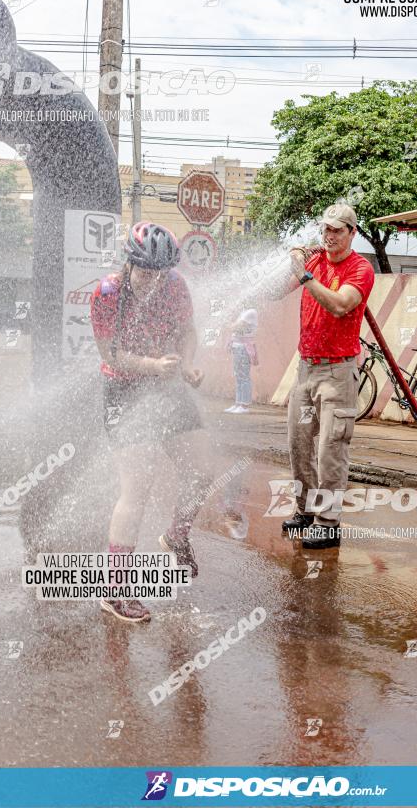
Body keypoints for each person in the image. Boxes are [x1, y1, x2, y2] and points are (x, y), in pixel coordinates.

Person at [90, 222, 208, 623]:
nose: (152, 281)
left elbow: (189, 332)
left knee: (201, 471)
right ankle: (115, 591)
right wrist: (154, 365)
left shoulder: (174, 285)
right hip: (125, 390)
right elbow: (110, 354)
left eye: (159, 272)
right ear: (129, 262)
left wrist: (187, 364)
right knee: (137, 487)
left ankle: (176, 537)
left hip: (167, 385)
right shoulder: (107, 292)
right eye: (144, 272)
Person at [270, 203, 375, 549]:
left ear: (352, 233)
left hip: (337, 373)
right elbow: (274, 292)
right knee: (299, 444)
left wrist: (304, 275)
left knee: (331, 449)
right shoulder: (314, 260)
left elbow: (340, 304)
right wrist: (292, 260)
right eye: (326, 230)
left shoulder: (360, 268)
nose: (329, 236)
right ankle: (305, 510)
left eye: (337, 230)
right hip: (306, 369)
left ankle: (328, 523)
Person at [224, 307, 258, 414]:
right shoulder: (243, 312)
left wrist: (230, 323)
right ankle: (238, 403)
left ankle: (244, 405)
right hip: (237, 346)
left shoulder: (250, 312)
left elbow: (235, 327)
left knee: (244, 376)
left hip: (243, 348)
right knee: (238, 376)